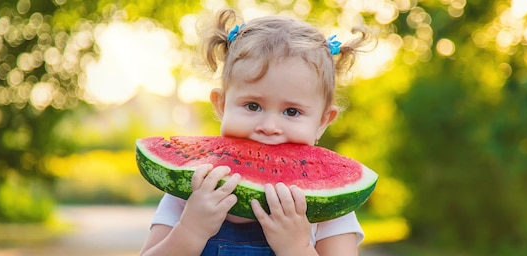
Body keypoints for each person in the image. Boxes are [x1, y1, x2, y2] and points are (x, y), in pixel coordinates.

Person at [140, 8, 372, 256]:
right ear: (220, 104)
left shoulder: (331, 208)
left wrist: (297, 247)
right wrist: (189, 231)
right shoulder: (190, 189)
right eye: (253, 106)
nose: (269, 127)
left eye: (292, 112)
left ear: (323, 122)